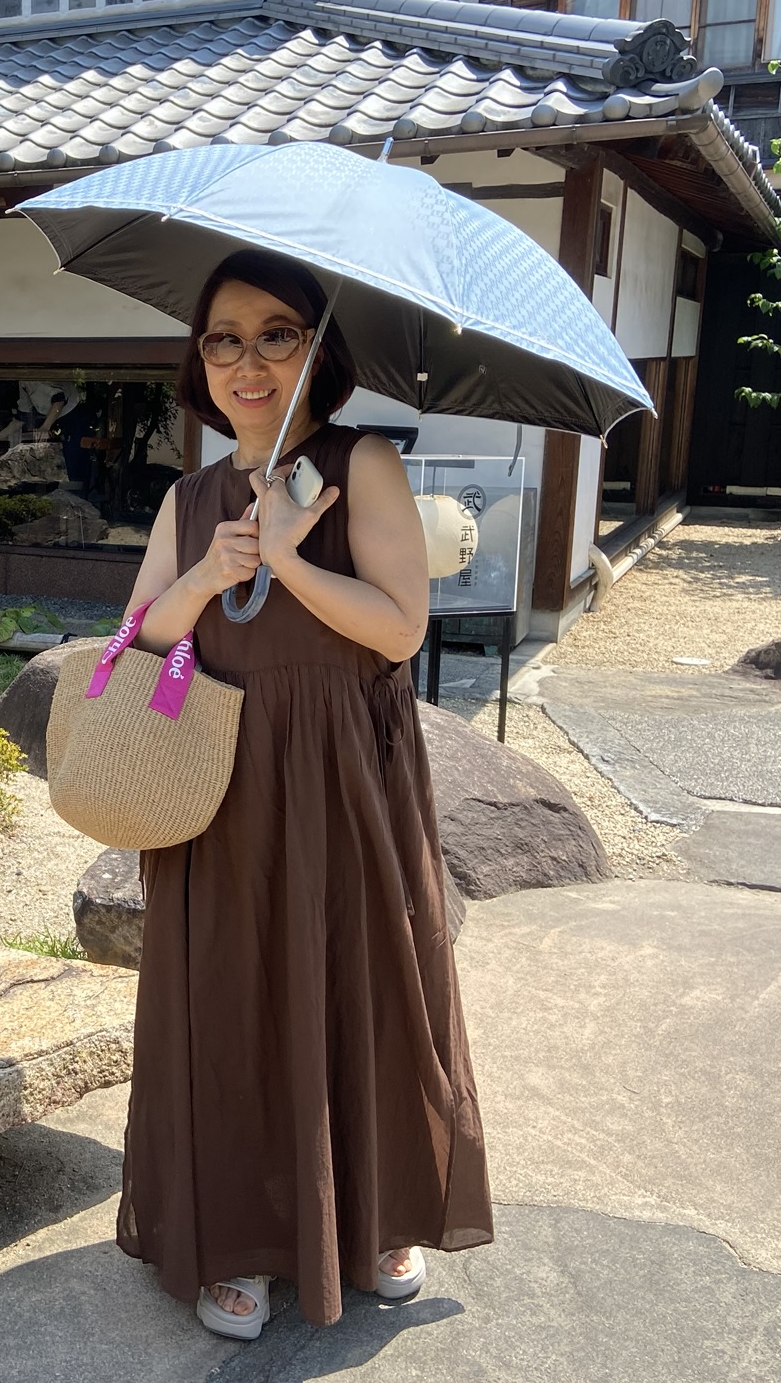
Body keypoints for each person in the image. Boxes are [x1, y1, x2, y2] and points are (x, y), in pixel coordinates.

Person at [118, 249, 492, 1340]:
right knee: (229, 997)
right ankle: (235, 1237)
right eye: (223, 339)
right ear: (200, 359)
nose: (248, 363)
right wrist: (208, 573)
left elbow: (399, 629)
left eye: (276, 335)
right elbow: (137, 636)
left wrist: (288, 555)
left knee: (362, 979)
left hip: (343, 775)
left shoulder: (356, 463)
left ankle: (374, 1216)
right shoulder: (189, 497)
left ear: (316, 350)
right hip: (219, 784)